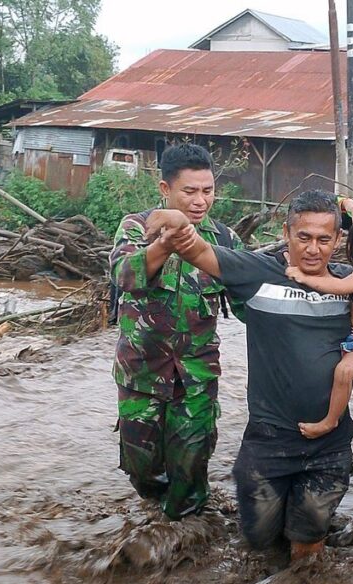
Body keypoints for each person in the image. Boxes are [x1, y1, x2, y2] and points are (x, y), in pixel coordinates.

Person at [162, 190, 353, 561]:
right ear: (286, 232)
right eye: (304, 237)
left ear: (339, 240)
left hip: (329, 446)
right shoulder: (257, 272)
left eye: (324, 239)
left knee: (307, 546)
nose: (313, 249)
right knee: (260, 541)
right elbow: (199, 252)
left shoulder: (352, 286)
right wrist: (178, 228)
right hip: (268, 441)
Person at [110, 142, 244, 521]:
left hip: (196, 378)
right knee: (141, 466)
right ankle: (157, 513)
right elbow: (123, 274)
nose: (200, 201)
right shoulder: (137, 226)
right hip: (141, 374)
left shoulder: (224, 239)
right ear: (165, 189)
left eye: (208, 191)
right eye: (190, 191)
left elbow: (251, 302)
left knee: (189, 466)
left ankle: (185, 535)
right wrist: (165, 245)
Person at [284, 216, 353, 439]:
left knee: (343, 371)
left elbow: (337, 287)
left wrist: (303, 277)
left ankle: (330, 420)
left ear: (352, 248)